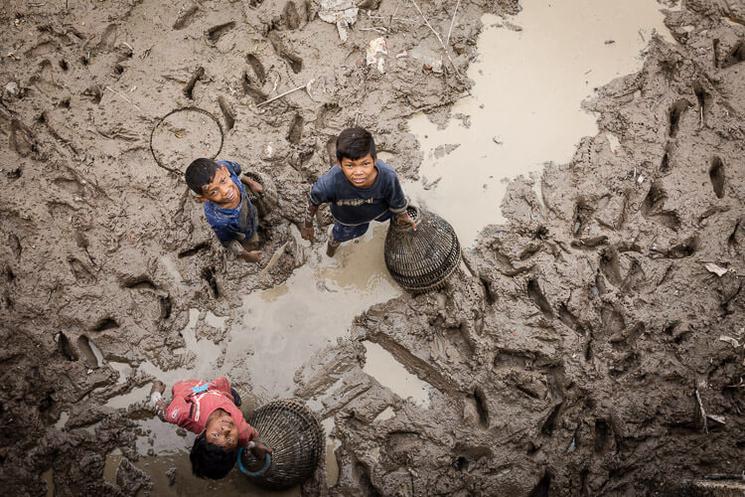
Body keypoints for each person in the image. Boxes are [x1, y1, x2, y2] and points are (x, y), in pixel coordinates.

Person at [300, 127, 416, 256]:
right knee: (340, 235)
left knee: (397, 213)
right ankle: (331, 247)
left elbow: (396, 197)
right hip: (349, 219)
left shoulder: (388, 176)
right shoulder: (330, 183)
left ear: (374, 159)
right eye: (350, 165)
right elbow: (313, 200)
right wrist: (308, 224)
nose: (359, 172)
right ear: (339, 164)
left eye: (365, 164)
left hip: (381, 210)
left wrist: (402, 214)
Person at [150, 376, 271, 480]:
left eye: (216, 435)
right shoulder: (243, 431)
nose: (226, 430)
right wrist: (255, 446)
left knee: (167, 413)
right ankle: (230, 398)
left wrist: (156, 393)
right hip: (212, 392)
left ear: (202, 433)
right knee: (234, 400)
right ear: (236, 444)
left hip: (195, 391)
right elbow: (247, 440)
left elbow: (164, 413)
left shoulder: (186, 414)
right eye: (229, 439)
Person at [184, 158, 265, 263]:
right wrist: (247, 256)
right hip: (243, 227)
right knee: (252, 239)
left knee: (253, 214)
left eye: (223, 181)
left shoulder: (224, 166)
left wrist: (251, 183)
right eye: (214, 192)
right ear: (203, 198)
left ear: (225, 171)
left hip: (248, 206)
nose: (225, 191)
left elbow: (238, 171)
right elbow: (228, 241)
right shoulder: (220, 220)